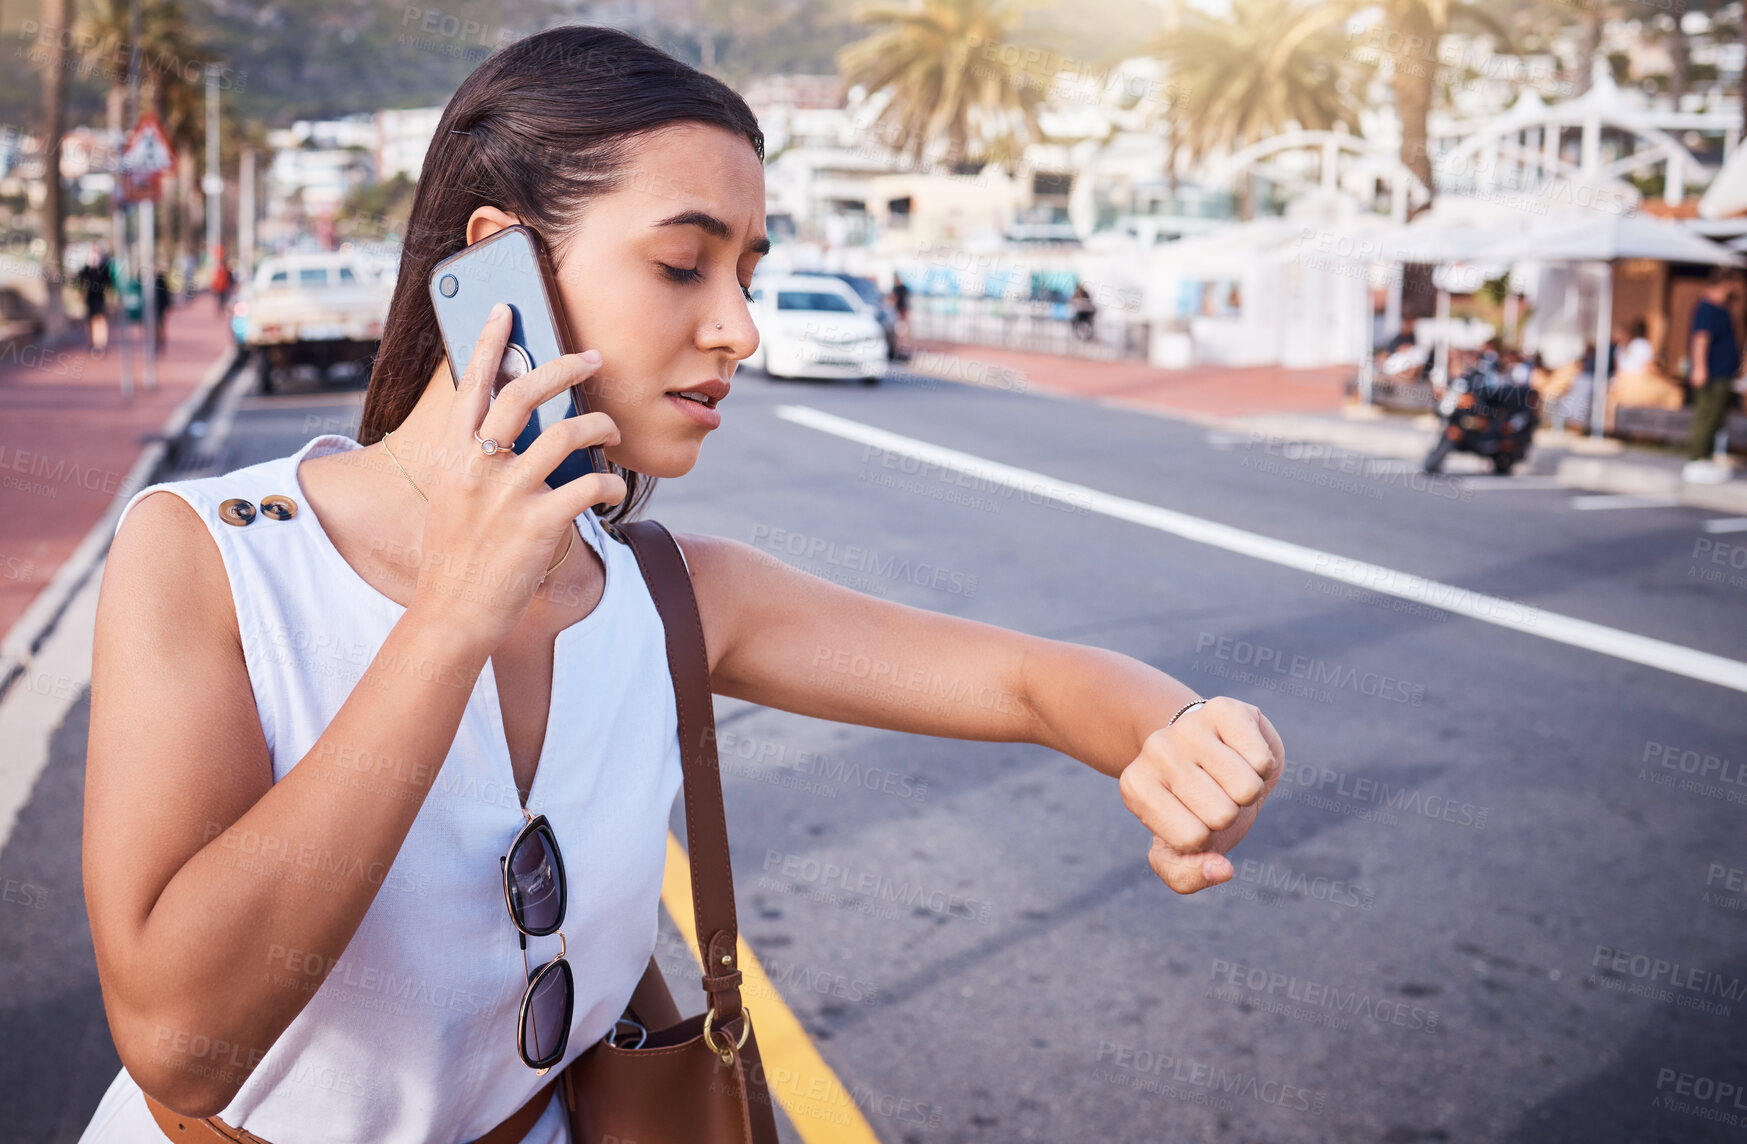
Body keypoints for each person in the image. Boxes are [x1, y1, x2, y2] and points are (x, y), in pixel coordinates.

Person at [76, 27, 1284, 1143]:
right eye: (680, 264)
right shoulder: (211, 555)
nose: (739, 328)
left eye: (745, 273)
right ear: (501, 266)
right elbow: (181, 1043)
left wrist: (1174, 732)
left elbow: (1023, 682)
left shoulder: (670, 596)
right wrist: (451, 618)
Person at [1684, 268, 1742, 483]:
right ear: (1726, 283)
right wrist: (1699, 368)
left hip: (1723, 372)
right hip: (1712, 373)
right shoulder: (1707, 307)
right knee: (1706, 416)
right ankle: (1697, 458)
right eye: (1737, 282)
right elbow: (1701, 339)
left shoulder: (1723, 308)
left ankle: (1705, 458)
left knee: (1716, 417)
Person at [77, 248, 113, 354]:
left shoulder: (103, 270)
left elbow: (109, 284)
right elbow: (80, 283)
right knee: (90, 320)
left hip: (100, 298)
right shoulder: (85, 270)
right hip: (90, 298)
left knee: (100, 319)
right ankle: (92, 342)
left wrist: (111, 299)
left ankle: (100, 343)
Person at [153, 270, 172, 353]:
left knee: (159, 326)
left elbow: (165, 295)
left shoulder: (159, 281)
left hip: (158, 308)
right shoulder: (160, 281)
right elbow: (167, 295)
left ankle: (159, 342)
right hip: (159, 308)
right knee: (159, 326)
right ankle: (159, 342)